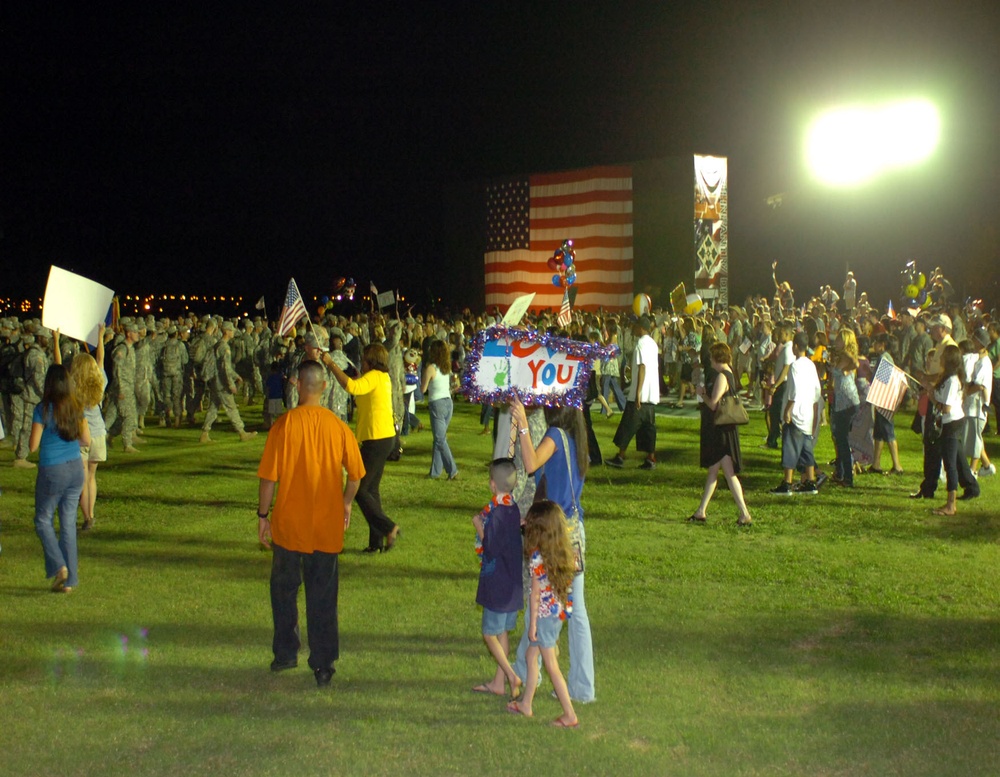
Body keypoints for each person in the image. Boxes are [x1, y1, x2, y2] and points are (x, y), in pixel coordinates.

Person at [256, 360, 365, 687]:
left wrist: (263, 516)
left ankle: (286, 653)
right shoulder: (338, 427)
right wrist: (345, 501)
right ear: (325, 387)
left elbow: (268, 479)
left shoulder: (284, 426)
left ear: (297, 385)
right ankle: (323, 663)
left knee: (284, 592)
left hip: (289, 527)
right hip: (326, 527)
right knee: (323, 597)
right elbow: (357, 475)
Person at [509, 398, 595, 704]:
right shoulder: (578, 440)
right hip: (575, 531)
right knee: (577, 611)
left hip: (556, 535)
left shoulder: (556, 435)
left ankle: (523, 671)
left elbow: (531, 465)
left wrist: (521, 425)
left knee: (541, 604)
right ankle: (582, 688)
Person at [321, 342, 401, 553]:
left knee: (360, 489)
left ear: (370, 361)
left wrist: (330, 364)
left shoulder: (374, 376)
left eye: (364, 359)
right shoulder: (380, 377)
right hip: (383, 438)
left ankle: (388, 527)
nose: (361, 362)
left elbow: (351, 386)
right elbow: (357, 383)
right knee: (371, 489)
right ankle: (376, 544)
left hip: (376, 439)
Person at [506, 500, 579, 729]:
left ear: (538, 530)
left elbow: (536, 595)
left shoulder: (538, 558)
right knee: (530, 656)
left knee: (551, 666)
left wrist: (532, 626)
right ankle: (526, 703)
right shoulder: (563, 554)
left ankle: (569, 714)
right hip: (556, 616)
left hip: (543, 619)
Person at [30, 364, 91, 593]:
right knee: (68, 524)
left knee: (43, 519)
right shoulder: (76, 407)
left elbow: (33, 446)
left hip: (52, 469)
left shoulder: (43, 409)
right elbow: (86, 440)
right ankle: (69, 580)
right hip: (75, 468)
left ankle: (60, 567)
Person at [471, 458, 523, 700]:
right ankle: (498, 682)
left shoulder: (499, 513)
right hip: (512, 582)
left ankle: (512, 676)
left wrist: (478, 525)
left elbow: (490, 547)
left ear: (493, 485)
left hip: (498, 583)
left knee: (489, 634)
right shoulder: (513, 508)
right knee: (502, 632)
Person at [690, 342, 752, 525]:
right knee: (714, 472)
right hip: (724, 429)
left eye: (711, 357)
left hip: (721, 430)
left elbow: (714, 404)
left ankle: (744, 513)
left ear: (717, 358)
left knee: (728, 473)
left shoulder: (722, 377)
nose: (709, 360)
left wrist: (702, 394)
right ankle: (701, 510)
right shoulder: (729, 373)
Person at [56, 327, 107, 530]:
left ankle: (87, 518)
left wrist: (55, 341)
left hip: (80, 434)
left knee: (82, 479)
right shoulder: (100, 382)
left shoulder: (71, 386)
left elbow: (57, 367)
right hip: (99, 434)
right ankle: (91, 513)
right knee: (92, 477)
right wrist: (101, 338)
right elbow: (101, 359)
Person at [771, 332, 822, 495]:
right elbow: (817, 390)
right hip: (808, 411)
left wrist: (788, 410)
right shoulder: (811, 365)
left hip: (796, 412)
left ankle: (787, 482)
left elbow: (794, 391)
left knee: (790, 447)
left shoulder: (795, 366)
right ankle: (811, 481)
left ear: (796, 347)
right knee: (807, 449)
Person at [606, 315, 660, 470]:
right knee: (648, 428)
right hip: (651, 393)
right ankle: (650, 458)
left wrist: (637, 393)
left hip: (641, 394)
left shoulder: (640, 345)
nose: (633, 329)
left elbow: (642, 367)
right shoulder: (653, 344)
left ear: (641, 328)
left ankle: (621, 456)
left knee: (628, 426)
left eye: (635, 326)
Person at [928, 346, 972, 516]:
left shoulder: (953, 380)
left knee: (950, 463)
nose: (940, 359)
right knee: (954, 459)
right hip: (951, 421)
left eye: (943, 357)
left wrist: (932, 398)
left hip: (952, 422)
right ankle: (968, 488)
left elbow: (946, 408)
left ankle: (951, 505)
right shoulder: (949, 378)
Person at [421, 338, 459, 480]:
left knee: (439, 438)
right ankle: (435, 472)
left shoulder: (431, 368)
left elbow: (423, 388)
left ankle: (452, 469)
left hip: (437, 404)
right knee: (439, 439)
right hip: (448, 402)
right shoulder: (446, 368)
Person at [828, 329, 860, 486]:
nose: (836, 341)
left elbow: (856, 363)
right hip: (841, 401)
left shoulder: (847, 354)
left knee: (842, 439)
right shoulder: (840, 355)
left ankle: (848, 476)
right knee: (839, 437)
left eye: (839, 339)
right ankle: (840, 472)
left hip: (847, 401)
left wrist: (847, 369)